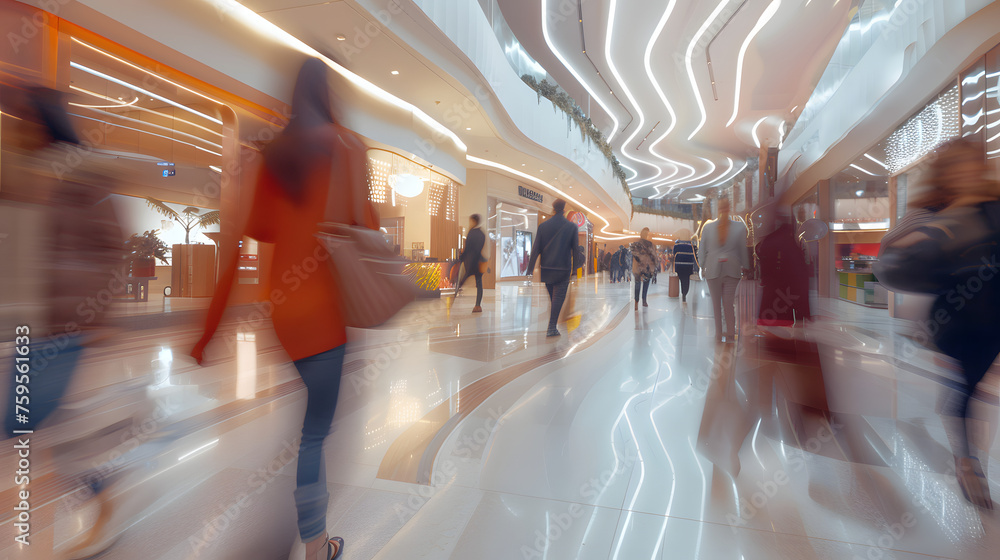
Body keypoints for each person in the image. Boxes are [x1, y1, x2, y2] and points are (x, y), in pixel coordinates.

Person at [192, 58, 375, 559]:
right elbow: (370, 227)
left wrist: (207, 331)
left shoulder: (274, 157)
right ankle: (317, 542)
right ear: (329, 95)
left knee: (308, 424)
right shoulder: (348, 148)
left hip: (285, 317)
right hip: (329, 317)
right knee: (315, 433)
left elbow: (248, 240)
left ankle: (301, 524)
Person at [876, 138, 999, 509]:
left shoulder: (993, 207)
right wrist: (922, 238)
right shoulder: (930, 212)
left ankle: (970, 455)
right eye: (957, 167)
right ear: (946, 174)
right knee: (964, 386)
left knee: (973, 385)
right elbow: (890, 255)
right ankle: (967, 461)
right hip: (954, 316)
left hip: (993, 312)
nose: (965, 173)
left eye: (971, 166)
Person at [698, 197, 749, 343]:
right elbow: (743, 251)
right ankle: (731, 333)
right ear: (730, 207)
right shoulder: (740, 227)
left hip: (713, 271)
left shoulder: (707, 228)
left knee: (716, 304)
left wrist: (702, 267)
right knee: (728, 304)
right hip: (732, 270)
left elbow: (702, 251)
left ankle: (719, 333)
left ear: (717, 209)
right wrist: (746, 267)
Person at [528, 199, 579, 337]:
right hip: (563, 269)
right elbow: (576, 250)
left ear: (553, 208)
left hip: (547, 269)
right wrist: (575, 270)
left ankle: (553, 325)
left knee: (554, 298)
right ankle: (551, 327)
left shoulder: (543, 226)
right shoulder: (572, 227)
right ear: (564, 209)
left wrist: (529, 269)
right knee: (558, 298)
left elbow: (536, 248)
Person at [456, 214, 486, 312]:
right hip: (479, 262)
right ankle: (478, 305)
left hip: (471, 262)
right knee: (479, 283)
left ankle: (453, 296)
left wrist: (461, 258)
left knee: (462, 280)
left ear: (473, 221)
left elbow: (468, 249)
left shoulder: (471, 233)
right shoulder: (482, 234)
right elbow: (481, 249)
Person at [630, 228, 657, 310]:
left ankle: (636, 302)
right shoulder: (650, 245)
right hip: (646, 267)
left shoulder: (636, 244)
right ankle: (643, 300)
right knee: (645, 284)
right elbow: (653, 257)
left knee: (638, 285)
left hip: (638, 268)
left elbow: (633, 256)